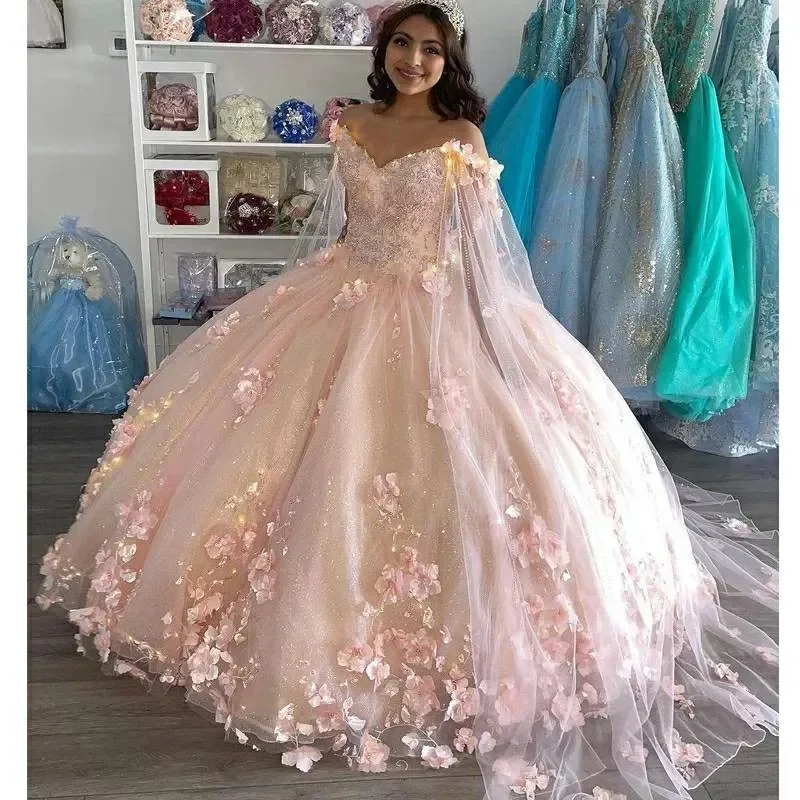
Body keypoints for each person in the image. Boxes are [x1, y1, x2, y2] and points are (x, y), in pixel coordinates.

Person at [37, 2, 778, 799]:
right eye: (402, 43)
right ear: (383, 50)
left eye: (430, 48)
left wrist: (496, 339)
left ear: (448, 60)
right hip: (344, 296)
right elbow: (343, 228)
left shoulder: (462, 138)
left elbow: (485, 252)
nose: (414, 60)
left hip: (438, 307)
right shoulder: (351, 126)